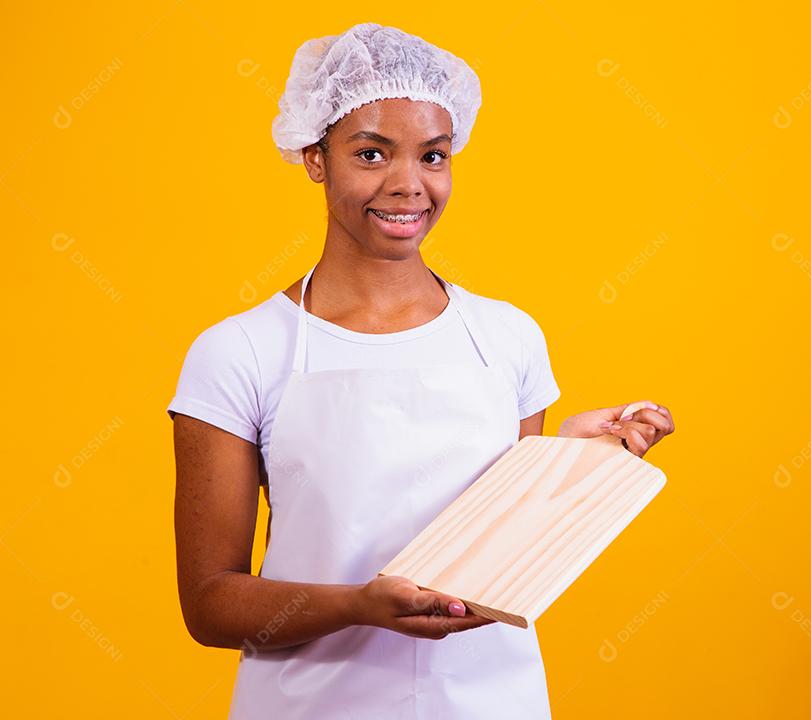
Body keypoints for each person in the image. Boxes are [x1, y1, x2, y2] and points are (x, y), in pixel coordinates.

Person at [168, 22, 675, 719]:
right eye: (372, 153)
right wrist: (359, 605)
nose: (409, 186)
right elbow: (210, 605)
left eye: (433, 156)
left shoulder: (507, 337)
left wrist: (574, 460)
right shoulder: (241, 352)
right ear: (315, 158)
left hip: (490, 699)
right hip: (313, 706)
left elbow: (504, 547)